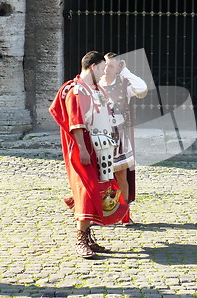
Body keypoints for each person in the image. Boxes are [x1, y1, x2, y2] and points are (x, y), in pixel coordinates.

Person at [49, 51, 129, 258]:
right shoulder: (77, 90)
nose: (104, 72)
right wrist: (83, 149)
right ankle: (80, 240)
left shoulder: (93, 89)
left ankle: (87, 235)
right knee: (87, 190)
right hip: (83, 148)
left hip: (98, 147)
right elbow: (76, 122)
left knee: (96, 189)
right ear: (93, 67)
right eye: (102, 68)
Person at [100, 52, 148, 224]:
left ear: (118, 67)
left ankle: (124, 214)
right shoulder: (96, 85)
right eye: (104, 65)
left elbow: (142, 89)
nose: (106, 69)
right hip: (100, 136)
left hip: (119, 135)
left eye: (111, 66)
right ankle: (100, 213)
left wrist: (125, 71)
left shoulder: (124, 84)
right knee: (102, 177)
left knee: (121, 175)